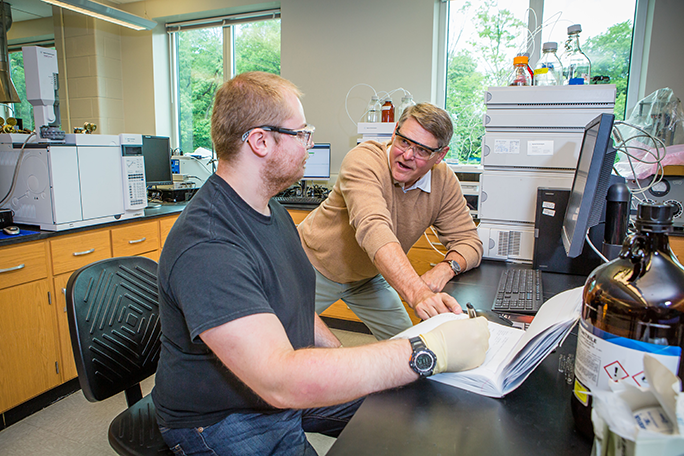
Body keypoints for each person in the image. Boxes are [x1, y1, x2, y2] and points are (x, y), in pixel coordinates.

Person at [151, 71, 490, 456]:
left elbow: (294, 309)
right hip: (223, 416)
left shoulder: (270, 212)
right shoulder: (209, 245)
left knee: (407, 405)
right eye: (302, 134)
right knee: (401, 379)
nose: (309, 145)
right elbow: (280, 380)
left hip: (273, 392)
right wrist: (427, 350)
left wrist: (343, 361)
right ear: (260, 141)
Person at [298, 102, 483, 340]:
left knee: (411, 346)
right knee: (278, 340)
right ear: (395, 131)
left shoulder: (443, 181)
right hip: (312, 267)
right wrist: (417, 293)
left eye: (422, 150)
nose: (407, 155)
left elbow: (470, 242)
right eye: (404, 141)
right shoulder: (364, 160)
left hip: (367, 279)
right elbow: (373, 228)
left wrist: (445, 269)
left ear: (440, 155)